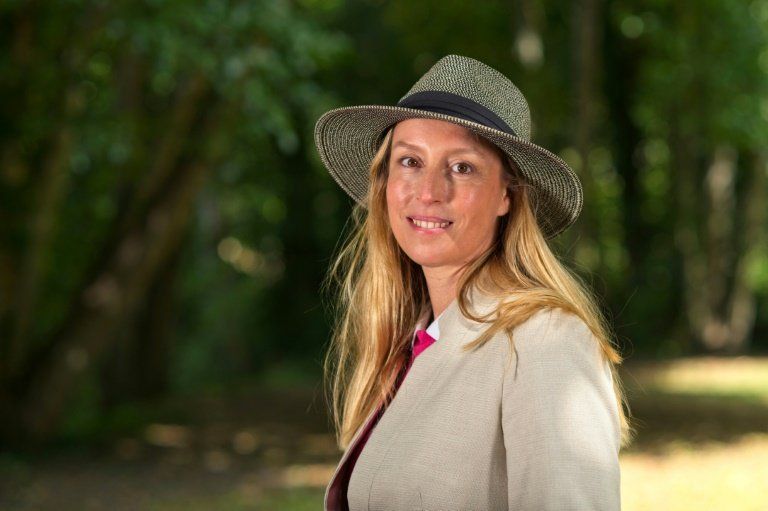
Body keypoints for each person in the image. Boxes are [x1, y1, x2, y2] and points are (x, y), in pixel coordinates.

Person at [314, 54, 633, 511]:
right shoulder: (416, 340)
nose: (429, 191)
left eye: (462, 167)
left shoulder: (545, 340)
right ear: (384, 181)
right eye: (410, 161)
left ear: (507, 194)